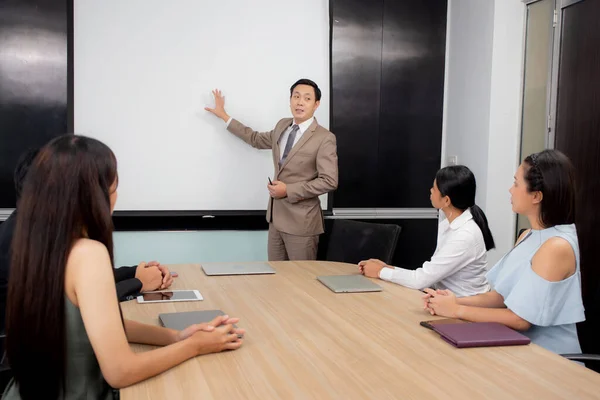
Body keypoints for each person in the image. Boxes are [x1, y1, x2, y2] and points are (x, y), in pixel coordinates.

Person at [3, 135, 244, 399]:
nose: (117, 194)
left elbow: (101, 325)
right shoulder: (88, 254)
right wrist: (196, 346)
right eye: (114, 185)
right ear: (93, 195)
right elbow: (120, 371)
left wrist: (178, 337)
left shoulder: (36, 243)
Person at [424, 149, 584, 355]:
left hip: (549, 357)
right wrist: (452, 300)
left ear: (536, 196)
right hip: (514, 344)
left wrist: (456, 310)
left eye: (516, 183)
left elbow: (520, 319)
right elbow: (501, 297)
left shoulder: (557, 246)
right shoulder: (527, 235)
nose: (510, 190)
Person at [0, 149, 173, 318]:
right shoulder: (23, 240)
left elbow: (81, 282)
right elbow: (73, 307)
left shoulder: (36, 225)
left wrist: (136, 272)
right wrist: (139, 283)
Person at [205, 79, 338, 261]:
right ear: (290, 99)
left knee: (301, 281)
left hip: (302, 224)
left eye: (306, 98)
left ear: (316, 104)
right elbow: (255, 139)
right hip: (276, 219)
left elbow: (329, 181)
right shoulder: (283, 126)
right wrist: (224, 116)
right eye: (296, 96)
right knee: (275, 279)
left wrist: (288, 190)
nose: (300, 102)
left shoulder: (324, 138)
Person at [359, 165, 495, 297]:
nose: (430, 190)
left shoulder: (465, 235)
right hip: (445, 301)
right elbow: (429, 275)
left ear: (446, 200)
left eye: (434, 189)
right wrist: (387, 268)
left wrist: (380, 272)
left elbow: (420, 280)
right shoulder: (449, 220)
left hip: (463, 309)